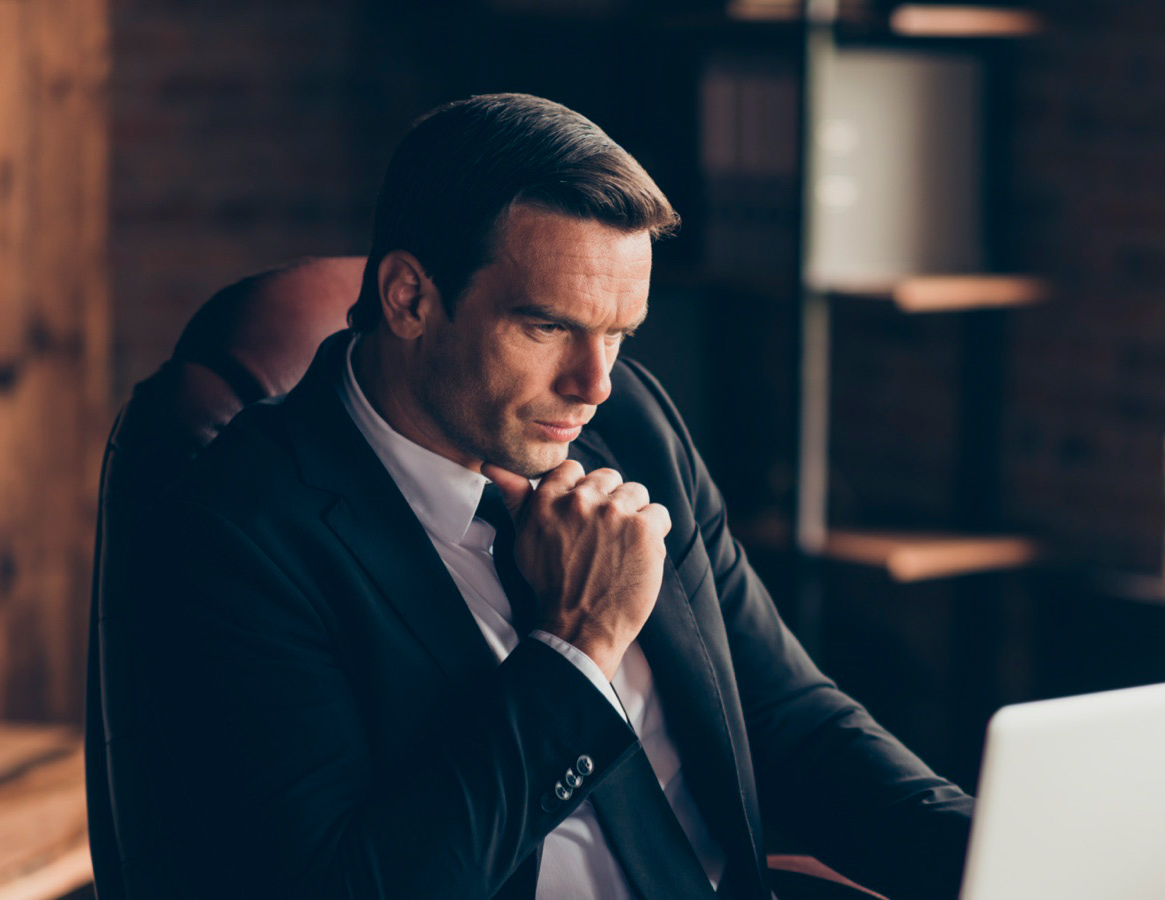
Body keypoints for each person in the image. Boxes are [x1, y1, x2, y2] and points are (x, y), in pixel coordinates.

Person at [97, 93, 972, 900]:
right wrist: (580, 644)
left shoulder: (629, 422)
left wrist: (995, 855)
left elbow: (788, 719)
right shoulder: (236, 532)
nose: (593, 382)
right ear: (409, 297)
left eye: (619, 334)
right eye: (547, 326)